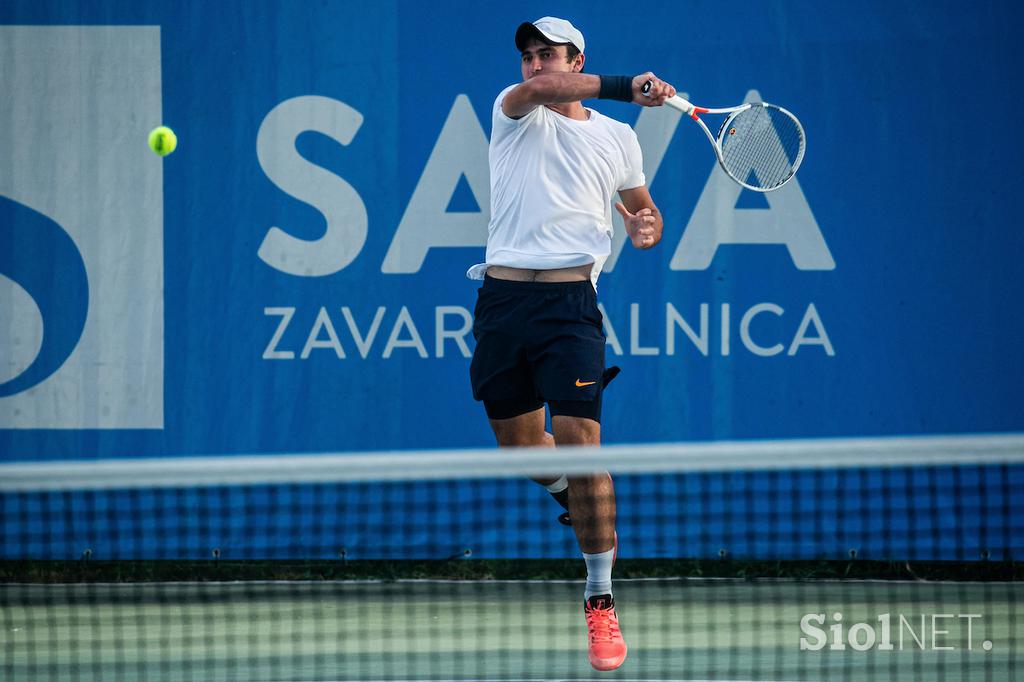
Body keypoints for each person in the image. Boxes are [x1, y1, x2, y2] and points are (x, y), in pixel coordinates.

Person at [467, 16, 675, 672]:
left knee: (583, 446)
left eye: (547, 54)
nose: (534, 66)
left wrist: (647, 227)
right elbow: (542, 92)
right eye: (528, 56)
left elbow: (644, 209)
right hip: (502, 305)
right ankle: (577, 492)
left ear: (575, 57)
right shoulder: (513, 110)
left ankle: (599, 598)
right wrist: (625, 83)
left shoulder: (617, 138)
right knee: (523, 453)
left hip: (570, 308)